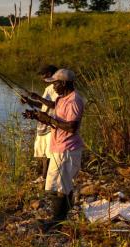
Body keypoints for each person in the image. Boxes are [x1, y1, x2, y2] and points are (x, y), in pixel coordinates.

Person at [22, 69, 85, 231]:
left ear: (64, 83)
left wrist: (48, 119)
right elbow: (56, 119)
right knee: (58, 185)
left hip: (67, 149)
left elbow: (72, 127)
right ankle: (61, 218)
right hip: (59, 147)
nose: (53, 87)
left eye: (55, 83)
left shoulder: (74, 101)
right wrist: (36, 116)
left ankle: (58, 221)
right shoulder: (61, 98)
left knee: (59, 187)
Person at [21, 65, 59, 179]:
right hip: (42, 124)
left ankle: (46, 179)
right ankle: (43, 177)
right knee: (43, 154)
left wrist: (38, 98)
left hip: (51, 123)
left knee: (49, 154)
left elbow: (54, 105)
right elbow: (43, 105)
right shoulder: (48, 89)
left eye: (44, 75)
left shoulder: (59, 87)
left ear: (51, 74)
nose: (42, 78)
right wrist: (29, 101)